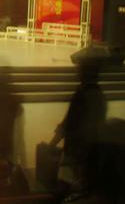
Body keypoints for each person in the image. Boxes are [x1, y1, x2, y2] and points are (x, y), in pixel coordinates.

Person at [49, 62, 106, 191]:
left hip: (75, 149)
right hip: (91, 150)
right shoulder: (99, 95)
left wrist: (51, 145)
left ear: (83, 74)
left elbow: (69, 122)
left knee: (68, 184)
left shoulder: (81, 95)